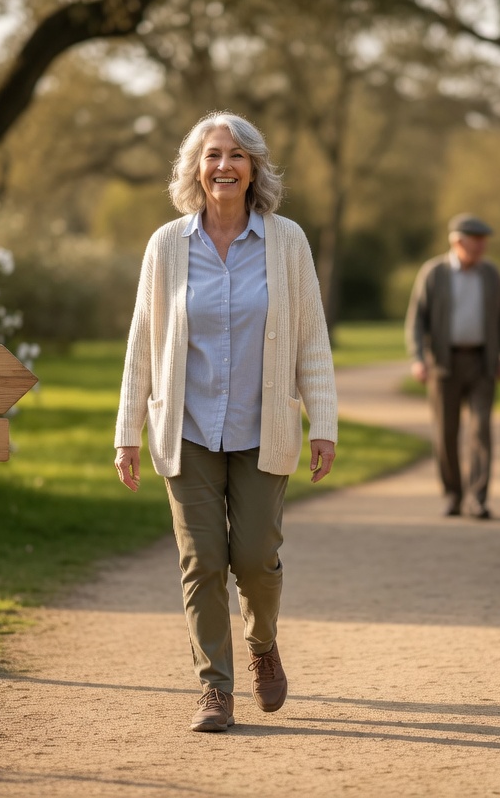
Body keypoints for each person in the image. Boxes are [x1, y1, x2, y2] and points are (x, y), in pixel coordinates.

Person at [113, 112, 338, 733]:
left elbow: (311, 340)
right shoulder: (167, 246)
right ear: (195, 169)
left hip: (263, 427)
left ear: (255, 168)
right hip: (186, 431)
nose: (224, 166)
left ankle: (262, 643)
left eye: (237, 155)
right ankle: (215, 688)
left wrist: (324, 422)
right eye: (213, 155)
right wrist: (126, 431)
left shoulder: (286, 241)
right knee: (202, 562)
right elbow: (142, 343)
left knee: (256, 558)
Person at [405, 213, 500, 520]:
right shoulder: (434, 273)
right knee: (446, 432)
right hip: (444, 364)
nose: (482, 247)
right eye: (476, 241)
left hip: (483, 363)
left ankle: (478, 499)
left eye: (484, 241)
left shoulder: (491, 275)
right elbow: (417, 321)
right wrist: (418, 359)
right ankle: (453, 495)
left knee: (481, 430)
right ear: (457, 241)